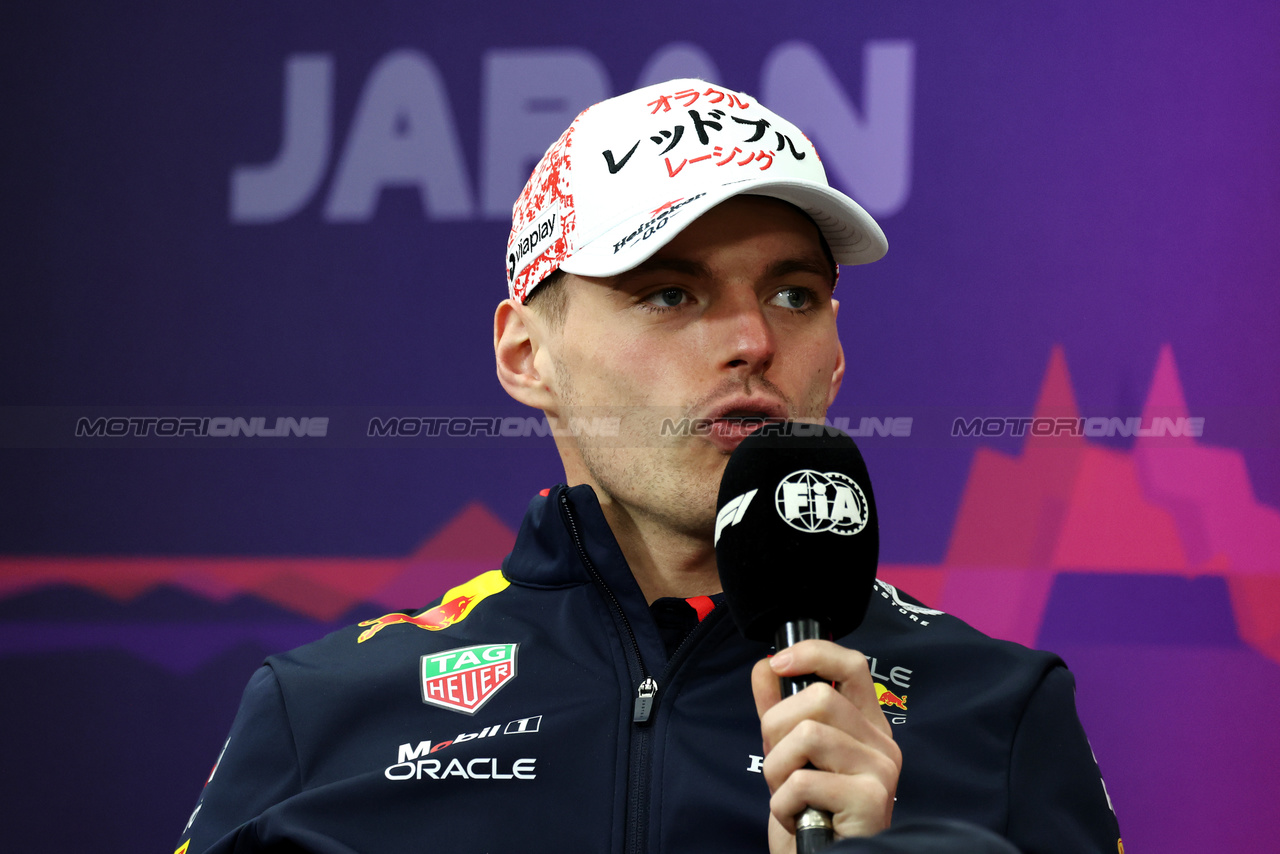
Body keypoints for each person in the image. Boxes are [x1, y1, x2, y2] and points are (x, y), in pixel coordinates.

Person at [174, 79, 1122, 854]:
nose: (752, 340)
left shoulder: (998, 708)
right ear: (524, 355)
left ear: (836, 352)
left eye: (795, 293)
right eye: (669, 292)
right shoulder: (324, 711)